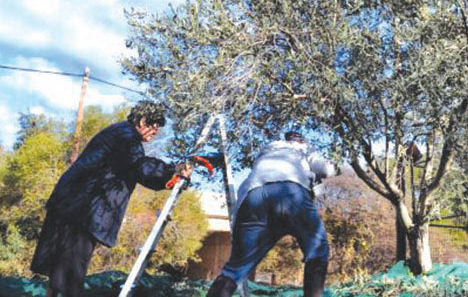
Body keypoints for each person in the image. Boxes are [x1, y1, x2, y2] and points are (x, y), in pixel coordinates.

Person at [30, 101, 193, 297]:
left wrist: (168, 174)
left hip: (70, 203)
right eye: (154, 126)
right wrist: (173, 170)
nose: (156, 132)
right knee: (71, 271)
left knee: (60, 271)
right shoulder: (127, 138)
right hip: (81, 209)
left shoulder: (118, 133)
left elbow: (136, 169)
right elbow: (140, 167)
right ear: (142, 121)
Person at [207, 131, 334, 297]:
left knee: (236, 268)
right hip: (291, 193)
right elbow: (326, 170)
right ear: (300, 139)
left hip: (253, 196)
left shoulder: (269, 147)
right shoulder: (305, 148)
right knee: (318, 251)